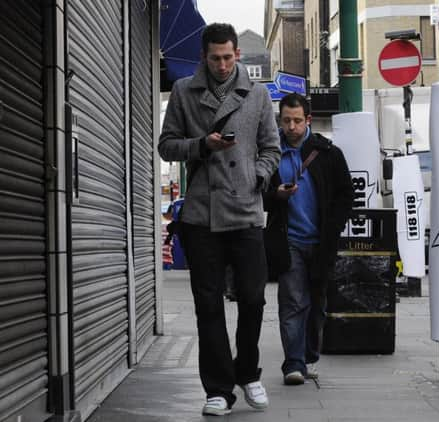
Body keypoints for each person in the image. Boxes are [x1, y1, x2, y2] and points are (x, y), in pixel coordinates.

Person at [158, 23, 280, 416]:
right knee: (207, 305)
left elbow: (271, 149)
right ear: (204, 57)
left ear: (237, 55)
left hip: (245, 211)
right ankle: (218, 389)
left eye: (229, 57)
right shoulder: (183, 92)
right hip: (201, 215)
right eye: (215, 58)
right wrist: (201, 146)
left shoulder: (257, 94)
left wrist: (256, 177)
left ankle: (248, 373)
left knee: (253, 298)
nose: (223, 65)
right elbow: (166, 146)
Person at [263, 93, 354, 385]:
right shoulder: (270, 153)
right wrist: (275, 196)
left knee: (317, 303)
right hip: (287, 240)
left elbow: (345, 195)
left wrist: (335, 228)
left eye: (297, 120)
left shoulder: (328, 153)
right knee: (292, 301)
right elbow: (256, 194)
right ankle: (293, 363)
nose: (291, 126)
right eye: (286, 120)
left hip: (321, 241)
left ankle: (307, 356)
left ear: (308, 120)